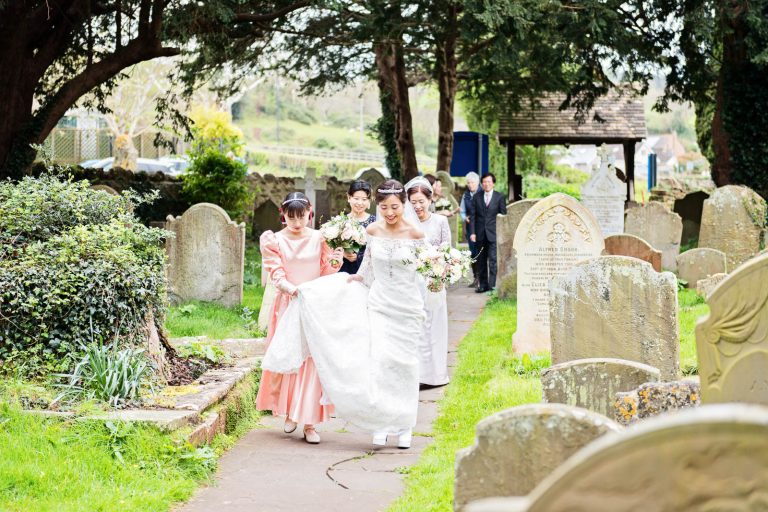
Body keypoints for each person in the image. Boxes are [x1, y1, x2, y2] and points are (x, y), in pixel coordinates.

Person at [262, 180, 426, 449]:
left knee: (406, 365)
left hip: (407, 306)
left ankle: (405, 424)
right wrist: (354, 279)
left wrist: (440, 271)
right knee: (380, 362)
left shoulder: (416, 234)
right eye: (384, 207)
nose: (389, 212)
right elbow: (369, 265)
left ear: (403, 206)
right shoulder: (373, 229)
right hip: (379, 304)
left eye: (395, 207)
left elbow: (426, 267)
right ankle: (382, 422)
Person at [255, 191, 344, 444]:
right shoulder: (274, 240)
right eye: (291, 217)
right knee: (290, 358)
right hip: (288, 303)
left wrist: (335, 262)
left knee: (313, 362)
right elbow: (276, 272)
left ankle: (310, 423)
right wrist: (291, 289)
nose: (297, 222)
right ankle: (290, 412)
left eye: (302, 216)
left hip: (314, 305)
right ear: (283, 215)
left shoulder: (320, 238)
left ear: (309, 214)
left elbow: (325, 272)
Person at [405, 177, 450, 388]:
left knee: (436, 327)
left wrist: (440, 273)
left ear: (430, 200)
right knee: (417, 329)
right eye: (413, 202)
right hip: (413, 283)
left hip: (434, 281)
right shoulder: (405, 225)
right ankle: (419, 375)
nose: (417, 206)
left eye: (421, 201)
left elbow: (447, 251)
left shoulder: (441, 221)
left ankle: (437, 375)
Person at [469, 173, 507, 293]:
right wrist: (472, 232)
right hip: (479, 234)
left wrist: (502, 233)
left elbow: (503, 216)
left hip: (493, 234)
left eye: (489, 182)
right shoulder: (476, 197)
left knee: (493, 260)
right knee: (481, 261)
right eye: (484, 182)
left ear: (493, 183)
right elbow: (473, 216)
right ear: (482, 183)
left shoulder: (499, 197)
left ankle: (492, 286)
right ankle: (483, 285)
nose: (486, 184)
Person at [340, 180, 376, 274]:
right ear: (349, 197)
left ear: (369, 200)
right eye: (356, 198)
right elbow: (330, 249)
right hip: (344, 269)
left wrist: (359, 256)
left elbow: (378, 249)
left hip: (366, 271)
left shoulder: (374, 222)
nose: (360, 203)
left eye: (364, 199)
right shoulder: (340, 221)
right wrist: (342, 253)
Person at [460, 172, 480, 288]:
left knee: (482, 252)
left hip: (481, 228)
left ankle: (483, 278)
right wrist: (465, 218)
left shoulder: (483, 193)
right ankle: (476, 278)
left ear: (477, 183)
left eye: (472, 182)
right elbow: (462, 210)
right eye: (468, 183)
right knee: (473, 253)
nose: (470, 185)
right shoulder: (465, 195)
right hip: (470, 228)